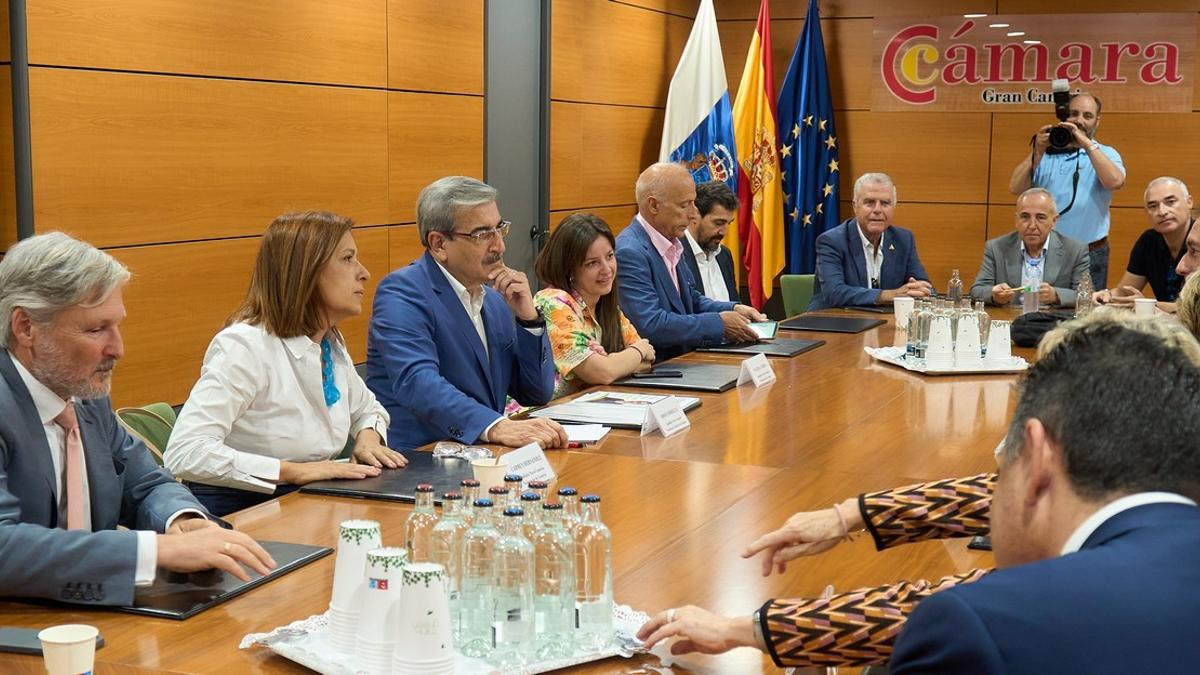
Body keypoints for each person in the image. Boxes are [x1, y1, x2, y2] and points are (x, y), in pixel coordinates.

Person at [637, 312, 1200, 669]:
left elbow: (973, 608)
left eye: (1010, 458)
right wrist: (847, 516)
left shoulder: (993, 624)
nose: (997, 468)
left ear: (1040, 458)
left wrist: (750, 628)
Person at [0, 232, 275, 606]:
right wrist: (153, 551)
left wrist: (181, 522)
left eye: (117, 326)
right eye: (96, 329)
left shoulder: (84, 395)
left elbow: (144, 482)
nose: (118, 348)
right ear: (26, 327)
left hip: (90, 613)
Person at [165, 212, 404, 517]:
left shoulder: (328, 342)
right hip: (245, 512)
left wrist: (369, 437)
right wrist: (293, 471)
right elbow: (185, 452)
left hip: (310, 503)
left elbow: (368, 408)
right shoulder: (245, 346)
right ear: (306, 272)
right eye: (347, 259)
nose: (364, 273)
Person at [366, 176, 566, 451]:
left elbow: (536, 392)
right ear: (438, 244)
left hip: (482, 457)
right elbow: (418, 382)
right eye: (483, 235)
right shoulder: (402, 292)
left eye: (499, 229)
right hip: (418, 463)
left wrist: (528, 319)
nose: (499, 246)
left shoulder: (495, 300)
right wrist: (496, 426)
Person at [616, 162, 765, 361]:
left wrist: (732, 309)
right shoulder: (630, 252)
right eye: (685, 205)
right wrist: (719, 324)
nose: (694, 213)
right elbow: (651, 325)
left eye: (694, 203)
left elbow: (688, 299)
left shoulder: (671, 241)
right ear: (653, 205)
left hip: (686, 363)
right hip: (658, 371)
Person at [1008, 91, 1125, 288]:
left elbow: (1115, 181)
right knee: (1043, 308)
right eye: (1074, 114)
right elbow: (1015, 187)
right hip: (1045, 251)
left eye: (1087, 116)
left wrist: (1086, 145)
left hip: (1091, 252)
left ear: (1097, 121)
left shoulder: (1105, 153)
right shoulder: (1047, 154)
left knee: (1087, 313)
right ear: (1064, 117)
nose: (1079, 121)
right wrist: (1037, 152)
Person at [533, 213, 655, 397]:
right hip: (537, 416)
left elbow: (647, 359)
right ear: (569, 269)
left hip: (585, 408)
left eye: (609, 256)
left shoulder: (606, 305)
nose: (606, 269)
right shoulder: (553, 302)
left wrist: (612, 363)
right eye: (592, 263)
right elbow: (607, 371)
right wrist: (616, 362)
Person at [808, 172, 932, 310]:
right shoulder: (831, 241)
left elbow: (925, 285)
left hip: (882, 323)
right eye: (870, 203)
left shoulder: (903, 239)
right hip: (833, 322)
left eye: (885, 203)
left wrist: (921, 290)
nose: (877, 210)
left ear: (893, 207)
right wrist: (887, 295)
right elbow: (834, 293)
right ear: (855, 206)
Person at [969, 188, 1090, 307]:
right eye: (1025, 217)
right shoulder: (996, 248)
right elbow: (977, 291)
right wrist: (994, 295)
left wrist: (1056, 295)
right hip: (1012, 321)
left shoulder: (1075, 250)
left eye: (1040, 217)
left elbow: (1086, 295)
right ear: (1016, 220)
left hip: (1054, 323)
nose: (1032, 225)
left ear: (1054, 221)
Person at [1095, 177, 1194, 312]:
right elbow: (1126, 291)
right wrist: (1108, 296)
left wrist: (1148, 305)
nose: (1162, 212)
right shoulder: (1149, 241)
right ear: (1147, 213)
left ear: (1189, 202)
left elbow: (1195, 309)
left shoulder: (1197, 240)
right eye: (1153, 206)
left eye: (1170, 202)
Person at [681, 180, 739, 303]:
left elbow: (735, 307)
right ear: (695, 214)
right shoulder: (675, 255)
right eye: (718, 223)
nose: (724, 232)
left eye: (729, 223)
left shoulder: (724, 255)